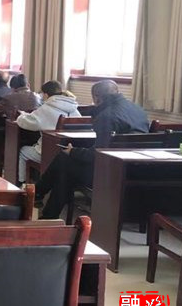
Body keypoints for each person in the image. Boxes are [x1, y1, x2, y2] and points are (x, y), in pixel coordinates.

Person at [35, 80, 149, 219]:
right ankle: (44, 208)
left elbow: (98, 155)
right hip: (137, 170)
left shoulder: (106, 116)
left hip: (110, 173)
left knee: (65, 163)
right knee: (66, 166)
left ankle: (41, 201)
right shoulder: (139, 110)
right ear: (117, 91)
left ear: (97, 98)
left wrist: (73, 151)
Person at [15, 80, 81, 185]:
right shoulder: (73, 108)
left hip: (49, 153)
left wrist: (21, 116)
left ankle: (22, 183)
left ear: (46, 94)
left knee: (23, 151)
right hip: (70, 151)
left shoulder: (47, 108)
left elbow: (28, 123)